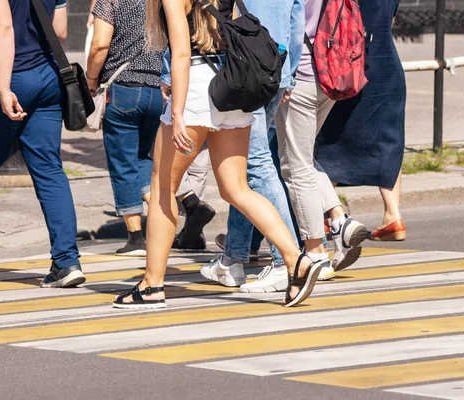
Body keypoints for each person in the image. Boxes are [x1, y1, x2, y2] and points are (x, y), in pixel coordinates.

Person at [112, 0, 323, 308]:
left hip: (195, 88)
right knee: (237, 188)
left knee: (162, 188)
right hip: (230, 86)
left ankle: (151, 285)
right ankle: (296, 260)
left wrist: (178, 112)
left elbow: (182, 54)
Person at [0, 0, 85, 288]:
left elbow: (3, 25)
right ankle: (66, 262)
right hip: (45, 78)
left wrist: (3, 88)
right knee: (49, 169)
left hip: (1, 80)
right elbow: (59, 31)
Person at [199, 0, 308, 292]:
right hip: (274, 65)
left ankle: (286, 261)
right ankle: (232, 259)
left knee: (257, 166)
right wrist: (289, 74)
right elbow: (297, 21)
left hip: (242, 70)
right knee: (243, 169)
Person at [273, 0, 368, 275]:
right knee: (302, 157)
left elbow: (287, 23)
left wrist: (283, 77)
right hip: (332, 71)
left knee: (295, 166)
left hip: (299, 73)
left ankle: (316, 252)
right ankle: (340, 220)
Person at [318, 0, 407, 242]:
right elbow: (389, 21)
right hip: (386, 65)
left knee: (328, 140)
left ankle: (324, 215)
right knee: (390, 140)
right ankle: (393, 216)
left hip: (348, 66)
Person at [86, 0, 164, 257]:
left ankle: (136, 238)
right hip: (155, 92)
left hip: (123, 91)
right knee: (143, 159)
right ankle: (162, 217)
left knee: (122, 163)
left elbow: (99, 45)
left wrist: (90, 79)